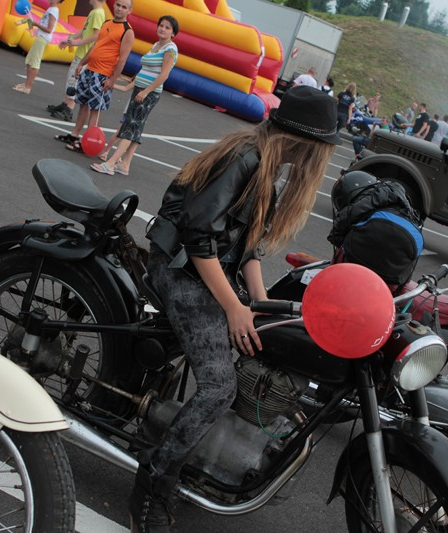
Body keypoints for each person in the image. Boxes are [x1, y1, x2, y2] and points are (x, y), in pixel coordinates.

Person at [130, 85, 340, 532]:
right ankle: (152, 486)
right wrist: (233, 307)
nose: (321, 162)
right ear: (304, 144)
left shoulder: (266, 161)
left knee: (260, 343)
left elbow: (247, 249)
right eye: (322, 150)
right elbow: (198, 240)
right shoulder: (244, 158)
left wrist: (258, 306)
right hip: (179, 268)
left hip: (208, 269)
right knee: (218, 387)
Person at [91, 15, 179, 176]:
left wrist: (146, 91)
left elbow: (164, 75)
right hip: (140, 90)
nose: (163, 29)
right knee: (135, 128)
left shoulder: (170, 49)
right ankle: (125, 164)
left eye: (167, 28)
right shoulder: (156, 45)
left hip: (148, 93)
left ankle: (110, 163)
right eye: (161, 25)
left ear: (173, 33)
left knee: (130, 127)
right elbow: (145, 71)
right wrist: (126, 86)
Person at [55, 0, 134, 152]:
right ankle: (75, 135)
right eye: (118, 5)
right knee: (83, 104)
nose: (120, 9)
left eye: (124, 7)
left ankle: (88, 142)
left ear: (129, 11)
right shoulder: (106, 23)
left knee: (95, 110)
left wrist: (112, 79)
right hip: (90, 69)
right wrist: (82, 63)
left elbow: (123, 59)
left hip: (103, 74)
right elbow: (95, 46)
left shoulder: (127, 31)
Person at [46, 0, 106, 121]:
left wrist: (77, 42)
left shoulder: (98, 13)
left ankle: (69, 109)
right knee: (71, 78)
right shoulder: (94, 12)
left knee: (74, 81)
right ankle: (64, 104)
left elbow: (96, 35)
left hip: (85, 54)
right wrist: (70, 39)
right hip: (81, 53)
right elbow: (84, 30)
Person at [13, 0, 63, 94]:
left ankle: (27, 87)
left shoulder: (53, 11)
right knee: (30, 61)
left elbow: (49, 29)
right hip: (41, 37)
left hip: (42, 38)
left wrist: (36, 24)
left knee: (34, 62)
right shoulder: (51, 9)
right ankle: (26, 84)